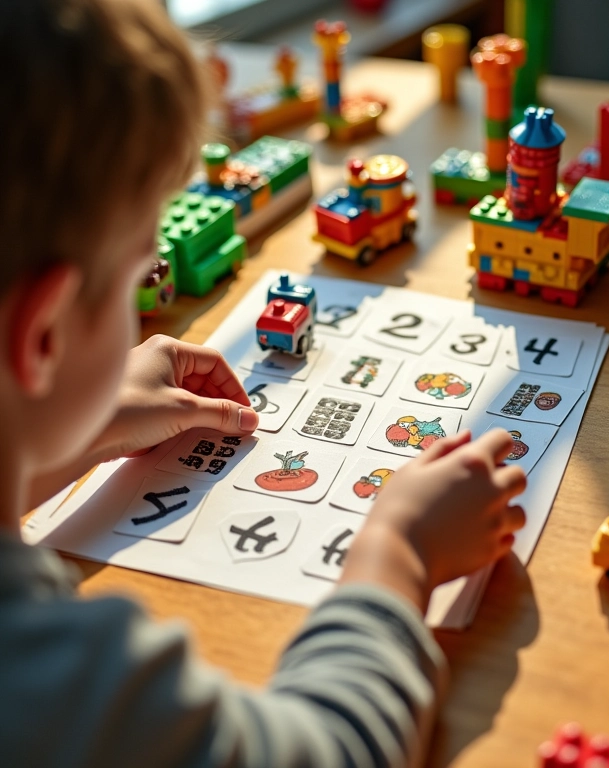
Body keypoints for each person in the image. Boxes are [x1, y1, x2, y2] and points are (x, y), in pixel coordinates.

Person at [0, 1, 527, 766]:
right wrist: (396, 556)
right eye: (137, 277)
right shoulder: (50, 681)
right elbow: (328, 751)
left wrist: (52, 438)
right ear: (43, 337)